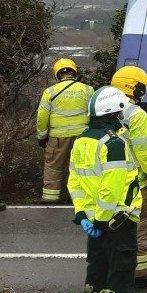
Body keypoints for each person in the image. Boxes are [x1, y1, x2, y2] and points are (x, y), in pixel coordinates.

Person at [67, 86, 142, 293]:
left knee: (97, 269)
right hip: (117, 220)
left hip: (93, 222)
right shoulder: (114, 144)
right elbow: (112, 190)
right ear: (114, 113)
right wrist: (101, 219)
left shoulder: (82, 141)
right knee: (121, 270)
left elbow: (75, 181)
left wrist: (82, 215)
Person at [110, 65, 147, 288]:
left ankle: (112, 271)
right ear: (132, 87)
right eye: (142, 87)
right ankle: (141, 273)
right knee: (141, 225)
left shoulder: (100, 110)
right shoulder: (137, 115)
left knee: (112, 228)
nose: (144, 92)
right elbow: (145, 153)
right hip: (137, 184)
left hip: (109, 183)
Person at [36, 58, 94, 202]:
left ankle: (50, 198)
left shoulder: (49, 92)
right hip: (83, 136)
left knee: (53, 166)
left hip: (58, 138)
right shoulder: (88, 90)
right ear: (74, 72)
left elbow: (42, 116)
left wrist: (42, 137)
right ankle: (82, 198)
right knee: (83, 166)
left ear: (57, 74)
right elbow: (95, 112)